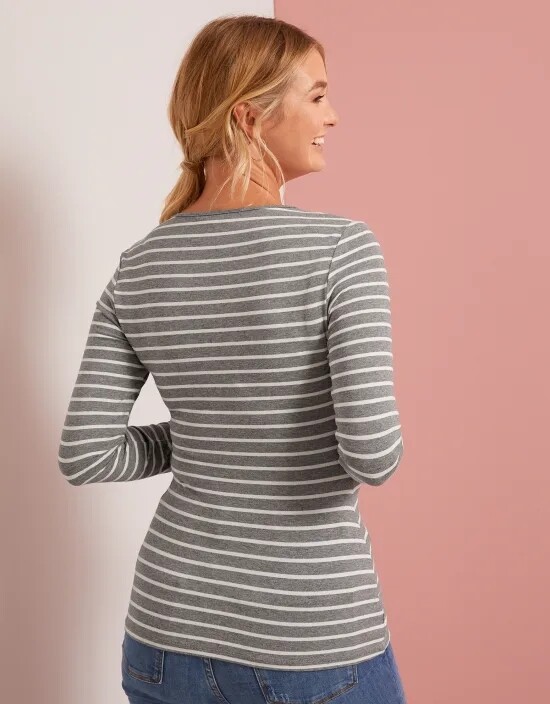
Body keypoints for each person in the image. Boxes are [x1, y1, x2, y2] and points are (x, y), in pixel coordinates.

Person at [58, 13, 407, 704]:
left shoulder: (139, 266)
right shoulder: (341, 250)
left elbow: (87, 455)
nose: (332, 116)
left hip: (164, 636)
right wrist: (240, 431)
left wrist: (209, 434)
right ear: (250, 116)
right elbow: (373, 454)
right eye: (317, 96)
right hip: (308, 637)